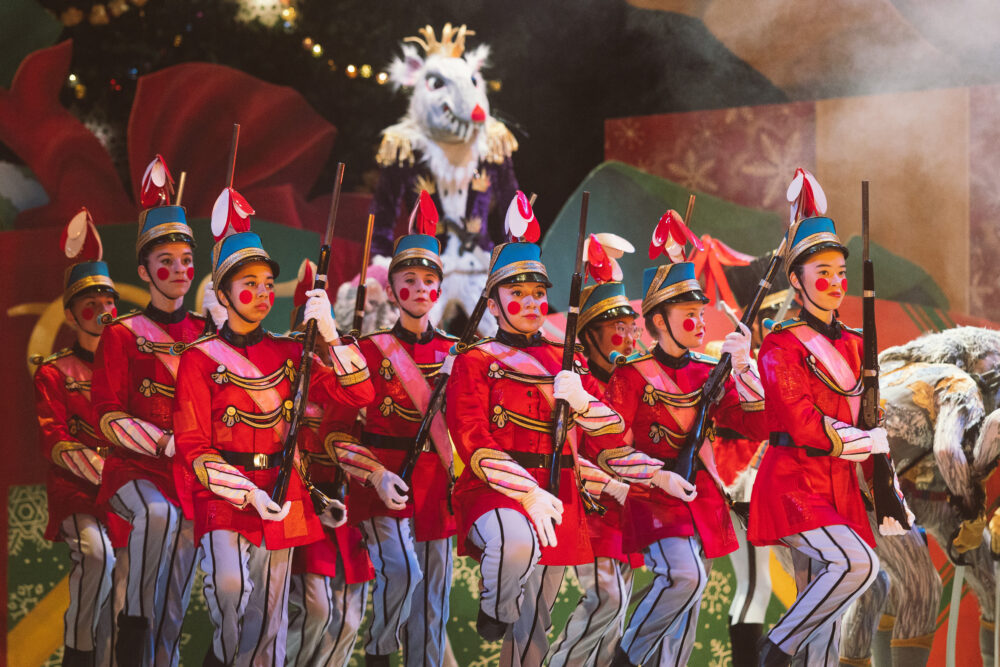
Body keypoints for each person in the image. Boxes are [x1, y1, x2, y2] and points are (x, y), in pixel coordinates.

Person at [172, 226, 373, 666]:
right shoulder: (199, 358)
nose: (263, 294)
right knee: (231, 588)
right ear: (222, 295)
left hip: (284, 491)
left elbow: (359, 395)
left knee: (270, 618)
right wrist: (246, 493)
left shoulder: (291, 353)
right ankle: (223, 658)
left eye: (267, 285)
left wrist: (333, 337)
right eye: (250, 285)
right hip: (225, 492)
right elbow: (192, 445)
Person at [445, 241, 628, 667]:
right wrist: (526, 492)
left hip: (561, 492)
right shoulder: (474, 361)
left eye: (538, 293)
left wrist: (582, 402)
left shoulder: (568, 359)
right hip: (497, 490)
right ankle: (495, 608)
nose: (531, 302)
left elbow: (611, 429)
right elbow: (472, 436)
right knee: (514, 543)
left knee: (537, 621)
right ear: (493, 304)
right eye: (517, 294)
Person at [586, 260, 767, 667]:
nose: (700, 322)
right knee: (687, 577)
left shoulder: (710, 371)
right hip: (652, 496)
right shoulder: (630, 375)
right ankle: (625, 660)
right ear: (658, 321)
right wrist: (656, 476)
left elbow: (757, 423)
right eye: (689, 314)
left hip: (699, 498)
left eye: (701, 313)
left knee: (688, 609)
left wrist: (744, 367)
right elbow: (608, 448)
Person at [749, 216, 908, 667]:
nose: (836, 282)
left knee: (826, 620)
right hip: (795, 482)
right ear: (796, 282)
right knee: (858, 565)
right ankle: (773, 648)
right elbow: (803, 424)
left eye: (840, 272)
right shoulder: (780, 346)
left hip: (840, 487)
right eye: (822, 272)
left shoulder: (858, 345)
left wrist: (888, 490)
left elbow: (868, 423)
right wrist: (866, 440)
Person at [323, 229, 458, 667]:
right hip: (381, 485)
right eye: (410, 279)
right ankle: (380, 649)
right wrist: (375, 475)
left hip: (438, 487)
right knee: (402, 572)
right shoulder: (368, 350)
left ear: (440, 288)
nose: (420, 289)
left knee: (432, 604)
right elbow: (336, 435)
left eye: (428, 280)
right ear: (391, 288)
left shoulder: (458, 354)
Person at [91, 198, 204, 666]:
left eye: (186, 261)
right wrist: (162, 442)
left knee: (175, 598)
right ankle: (132, 626)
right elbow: (108, 415)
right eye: (165, 262)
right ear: (144, 272)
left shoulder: (205, 333)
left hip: (190, 478)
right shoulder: (121, 334)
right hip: (134, 469)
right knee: (157, 516)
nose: (178, 270)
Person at [547, 279, 643, 667]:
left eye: (629, 327)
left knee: (614, 624)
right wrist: (612, 485)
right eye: (616, 328)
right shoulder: (574, 385)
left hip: (628, 514)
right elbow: (567, 454)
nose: (627, 337)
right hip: (591, 513)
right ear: (588, 335)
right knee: (608, 599)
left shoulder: (634, 383)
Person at [284, 262, 375, 667]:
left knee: (349, 619)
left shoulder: (345, 367)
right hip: (301, 506)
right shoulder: (286, 371)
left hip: (348, 505)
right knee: (315, 609)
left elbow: (362, 402)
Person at [35, 249, 120, 667]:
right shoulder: (54, 373)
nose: (102, 310)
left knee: (123, 593)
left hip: (124, 492)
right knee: (96, 555)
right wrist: (105, 471)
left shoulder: (129, 370)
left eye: (108, 302)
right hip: (77, 490)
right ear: (72, 316)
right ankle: (78, 651)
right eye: (91, 303)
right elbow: (53, 436)